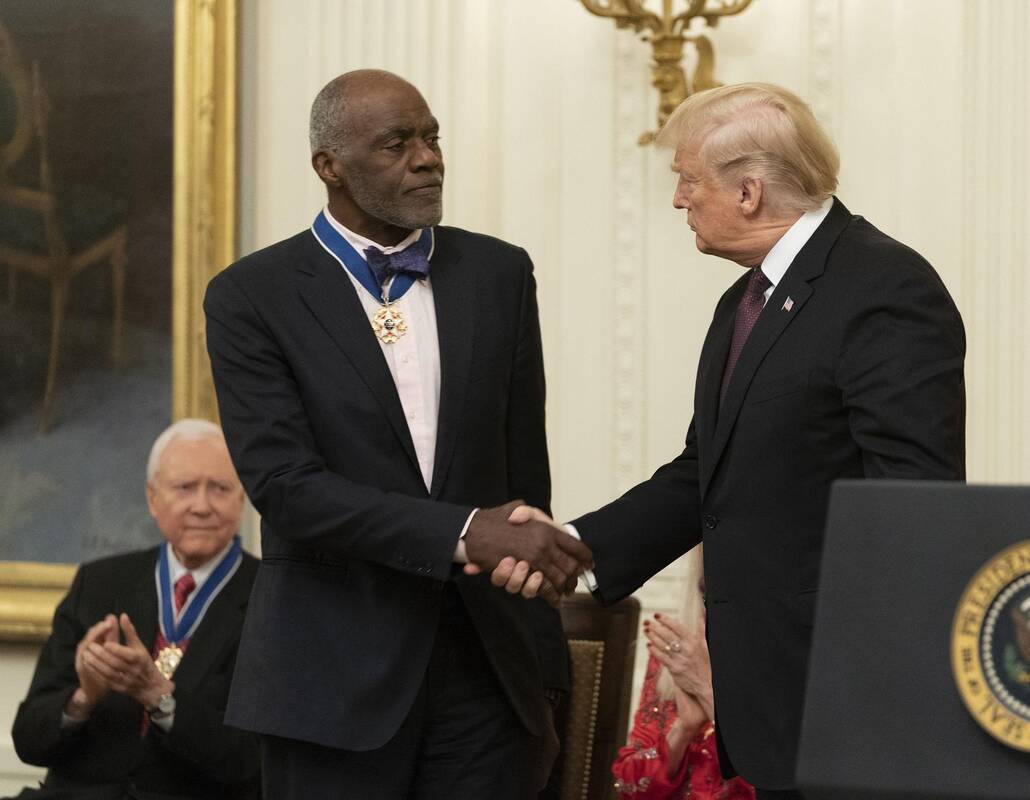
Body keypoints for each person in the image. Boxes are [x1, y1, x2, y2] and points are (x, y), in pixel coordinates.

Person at [489, 82, 966, 798]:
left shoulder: (884, 287)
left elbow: (914, 507)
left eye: (688, 179)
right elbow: (702, 474)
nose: (678, 200)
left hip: (843, 702)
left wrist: (857, 691)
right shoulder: (745, 301)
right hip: (767, 700)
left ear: (748, 192)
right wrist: (573, 550)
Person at [202, 69, 592, 800]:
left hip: (488, 676)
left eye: (432, 137)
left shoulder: (500, 273)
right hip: (329, 681)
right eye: (397, 144)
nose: (427, 159)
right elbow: (288, 490)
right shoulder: (251, 296)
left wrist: (543, 674)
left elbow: (524, 483)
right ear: (330, 166)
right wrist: (465, 533)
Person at [9, 419, 260, 800]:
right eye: (185, 487)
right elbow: (29, 741)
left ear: (241, 499)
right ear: (152, 498)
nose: (202, 506)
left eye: (220, 488)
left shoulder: (270, 599)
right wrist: (83, 697)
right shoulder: (99, 583)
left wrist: (159, 695)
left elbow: (255, 763)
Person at [612, 548, 753, 800]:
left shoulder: (785, 661)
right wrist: (683, 730)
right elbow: (629, 786)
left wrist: (708, 694)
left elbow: (782, 786)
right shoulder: (676, 654)